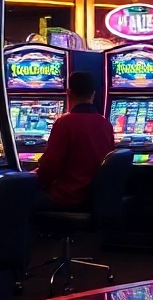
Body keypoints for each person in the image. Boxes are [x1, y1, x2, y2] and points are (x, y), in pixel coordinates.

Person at [35, 71, 115, 210]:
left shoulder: (64, 123)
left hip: (66, 197)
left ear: (69, 92)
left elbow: (50, 166)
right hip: (94, 197)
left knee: (16, 197)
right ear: (93, 94)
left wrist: (31, 178)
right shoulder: (105, 123)